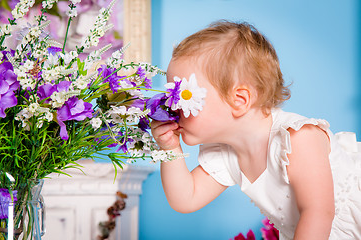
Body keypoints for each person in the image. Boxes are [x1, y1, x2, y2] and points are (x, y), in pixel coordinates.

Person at [150, 20, 361, 240]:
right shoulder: (226, 153)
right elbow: (186, 199)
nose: (171, 107)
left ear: (240, 100)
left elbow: (318, 213)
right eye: (172, 95)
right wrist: (170, 147)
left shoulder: (297, 138)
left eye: (184, 97)